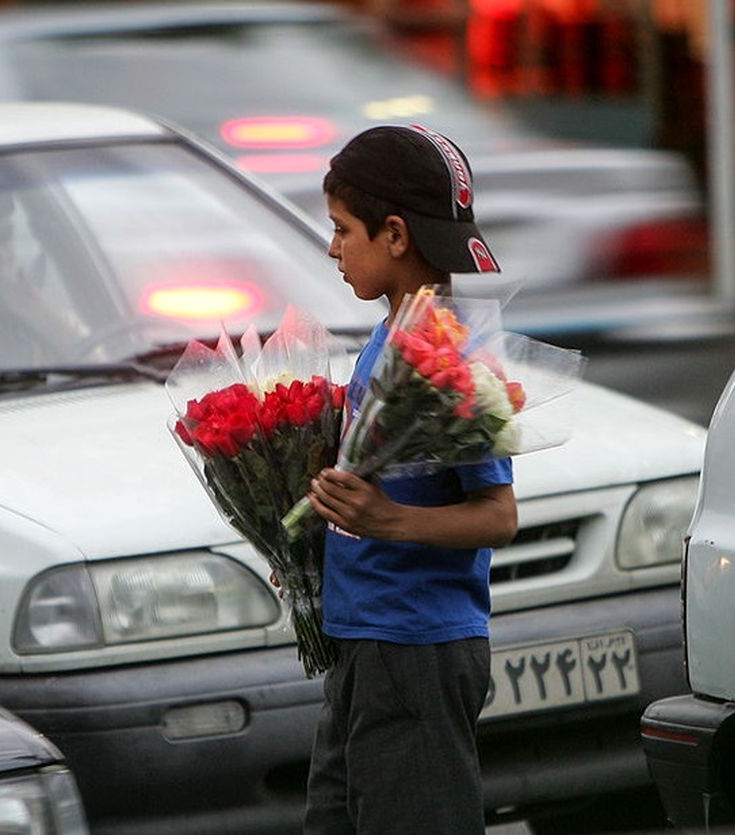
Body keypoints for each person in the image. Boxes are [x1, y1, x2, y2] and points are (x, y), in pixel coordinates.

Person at [300, 125, 516, 835]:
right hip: (366, 639)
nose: (332, 248)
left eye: (341, 229)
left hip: (415, 649)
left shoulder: (450, 345)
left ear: (394, 234)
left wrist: (386, 520)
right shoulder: (393, 330)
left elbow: (496, 514)